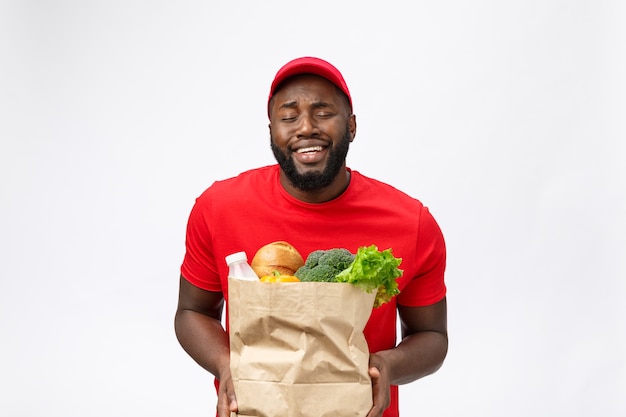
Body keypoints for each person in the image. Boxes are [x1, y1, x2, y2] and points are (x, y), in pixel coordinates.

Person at [175, 56, 448, 417]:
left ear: (351, 126)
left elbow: (432, 337)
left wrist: (388, 367)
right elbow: (192, 311)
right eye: (289, 117)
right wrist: (226, 366)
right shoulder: (218, 208)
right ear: (271, 129)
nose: (306, 128)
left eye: (323, 113)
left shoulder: (410, 222)